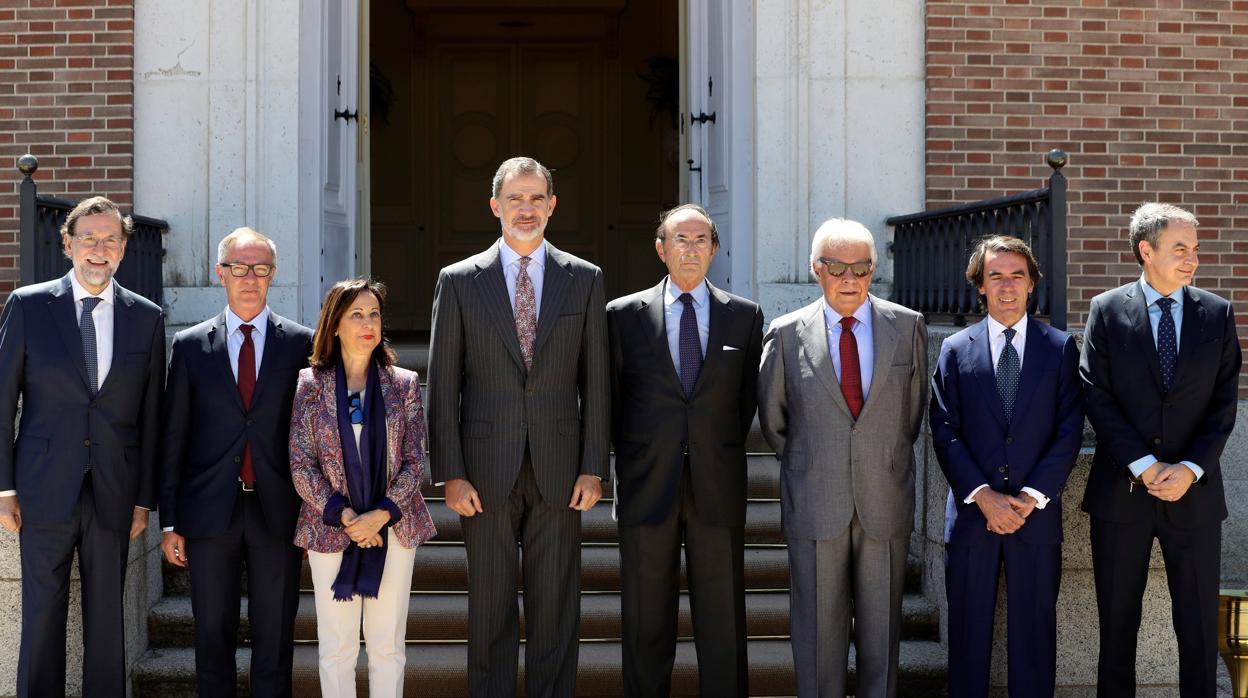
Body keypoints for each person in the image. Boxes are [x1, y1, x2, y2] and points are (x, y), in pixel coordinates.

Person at [426, 156, 610, 697]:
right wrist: (450, 473)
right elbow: (442, 385)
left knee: (557, 613)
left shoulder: (584, 279)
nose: (525, 209)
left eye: (536, 199)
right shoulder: (459, 282)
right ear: (495, 207)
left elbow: (597, 380)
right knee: (489, 612)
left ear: (552, 206)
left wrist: (594, 466)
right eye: (515, 199)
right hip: (482, 474)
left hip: (560, 469)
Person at [0, 196, 165, 697]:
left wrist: (144, 498)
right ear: (68, 243)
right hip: (42, 489)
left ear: (123, 248)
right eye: (88, 239)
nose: (99, 249)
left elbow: (152, 418)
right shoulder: (29, 305)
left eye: (110, 239)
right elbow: (3, 401)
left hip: (114, 491)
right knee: (42, 614)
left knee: (107, 619)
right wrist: (4, 489)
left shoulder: (147, 317)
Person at [757, 218, 927, 698]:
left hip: (884, 497)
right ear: (816, 269)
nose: (849, 278)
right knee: (815, 636)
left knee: (882, 638)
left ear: (874, 270)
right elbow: (775, 422)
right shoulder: (786, 334)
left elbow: (909, 418)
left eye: (861, 268)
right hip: (815, 500)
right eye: (836, 267)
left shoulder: (907, 326)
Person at [1080, 203, 1241, 697]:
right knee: (1117, 631)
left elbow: (1223, 402)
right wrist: (1146, 466)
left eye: (1195, 249)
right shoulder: (1106, 310)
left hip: (1194, 497)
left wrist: (1191, 468)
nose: (1192, 259)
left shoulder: (1216, 312)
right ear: (1145, 251)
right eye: (1180, 249)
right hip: (1121, 496)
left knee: (1196, 633)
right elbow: (1095, 394)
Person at [606, 204, 763, 698]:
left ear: (714, 250)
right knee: (645, 621)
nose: (690, 248)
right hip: (647, 485)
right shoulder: (622, 316)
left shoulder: (745, 316)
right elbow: (611, 400)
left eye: (700, 240)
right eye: (680, 239)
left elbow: (744, 403)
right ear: (661, 249)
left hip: (717, 486)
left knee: (722, 625)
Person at [158, 227, 313, 697]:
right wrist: (170, 522)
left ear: (273, 276)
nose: (250, 278)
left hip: (279, 512)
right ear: (219, 273)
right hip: (209, 513)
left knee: (274, 639)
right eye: (239, 268)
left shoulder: (300, 344)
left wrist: (312, 515)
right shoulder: (189, 346)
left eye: (260, 269)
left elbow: (311, 439)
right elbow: (173, 440)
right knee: (211, 637)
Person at [928, 235, 1084, 698]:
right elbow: (944, 429)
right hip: (974, 517)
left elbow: (1069, 429)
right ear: (980, 285)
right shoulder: (956, 349)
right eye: (995, 276)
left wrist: (1030, 498)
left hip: (1036, 518)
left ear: (1032, 283)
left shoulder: (1059, 348)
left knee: (1035, 637)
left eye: (1018, 275)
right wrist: (984, 496)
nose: (1007, 285)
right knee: (968, 637)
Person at [289, 278, 436, 698]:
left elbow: (414, 459)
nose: (368, 323)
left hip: (394, 529)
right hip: (330, 531)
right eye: (356, 314)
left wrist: (381, 513)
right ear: (334, 324)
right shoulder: (310, 385)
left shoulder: (404, 383)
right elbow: (301, 463)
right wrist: (348, 516)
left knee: (387, 647)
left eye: (374, 314)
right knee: (337, 648)